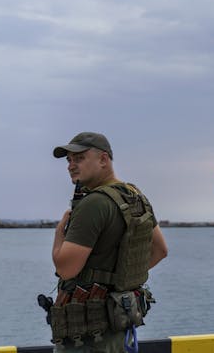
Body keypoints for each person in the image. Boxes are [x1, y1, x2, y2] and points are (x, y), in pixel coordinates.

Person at [50, 132, 168, 352]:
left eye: (80, 158)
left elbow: (66, 268)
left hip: (86, 339)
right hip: (120, 331)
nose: (71, 165)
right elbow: (160, 250)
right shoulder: (134, 196)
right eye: (69, 160)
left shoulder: (93, 203)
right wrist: (119, 280)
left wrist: (59, 234)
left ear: (103, 159)